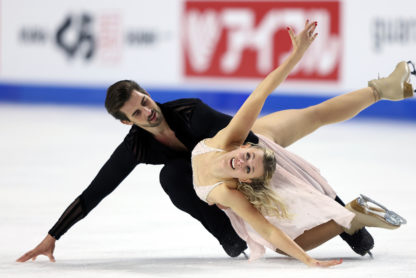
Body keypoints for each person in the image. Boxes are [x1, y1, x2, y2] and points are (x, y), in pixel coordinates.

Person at [15, 21, 379, 264]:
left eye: (145, 101)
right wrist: (53, 235)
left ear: (146, 93)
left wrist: (312, 192)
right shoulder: (136, 148)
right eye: (138, 114)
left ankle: (350, 220)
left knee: (310, 122)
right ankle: (228, 236)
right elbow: (97, 190)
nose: (148, 112)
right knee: (171, 177)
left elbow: (244, 133)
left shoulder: (191, 113)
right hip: (222, 182)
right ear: (127, 122)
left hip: (249, 150)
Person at [191, 20, 412, 266]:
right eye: (247, 164)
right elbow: (266, 228)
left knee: (314, 116)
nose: (242, 161)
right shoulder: (229, 177)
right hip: (262, 154)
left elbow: (261, 92)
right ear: (243, 175)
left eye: (248, 160)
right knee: (314, 116)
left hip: (263, 142)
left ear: (244, 146)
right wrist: (297, 53)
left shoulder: (226, 147)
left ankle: (384, 89)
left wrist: (296, 54)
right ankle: (384, 89)